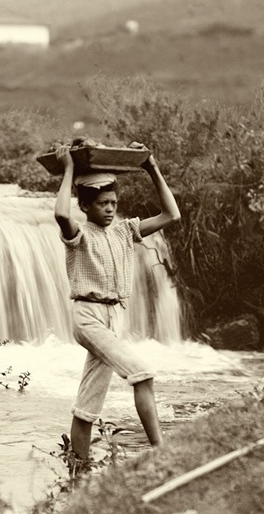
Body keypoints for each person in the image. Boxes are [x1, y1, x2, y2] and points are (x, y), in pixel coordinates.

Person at [53, 143, 181, 466]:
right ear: (85, 205)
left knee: (88, 403)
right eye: (102, 203)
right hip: (88, 315)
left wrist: (151, 167)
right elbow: (60, 213)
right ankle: (161, 451)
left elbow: (171, 214)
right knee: (142, 373)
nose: (110, 209)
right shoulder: (80, 235)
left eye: (113, 202)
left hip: (115, 316)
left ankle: (76, 470)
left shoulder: (126, 231)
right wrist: (68, 168)